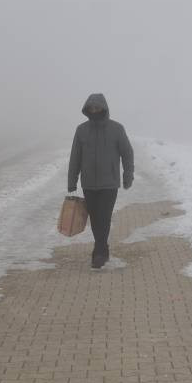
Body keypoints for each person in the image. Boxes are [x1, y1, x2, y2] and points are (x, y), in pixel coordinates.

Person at [67, 93, 134, 269]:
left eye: (97, 108)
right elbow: (75, 157)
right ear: (87, 109)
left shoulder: (116, 129)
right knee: (95, 219)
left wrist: (128, 175)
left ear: (103, 109)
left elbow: (127, 153)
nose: (94, 111)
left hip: (109, 183)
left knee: (103, 217)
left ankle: (99, 253)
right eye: (91, 108)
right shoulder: (81, 130)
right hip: (88, 183)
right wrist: (72, 180)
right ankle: (102, 249)